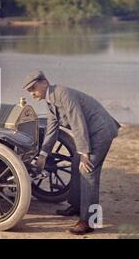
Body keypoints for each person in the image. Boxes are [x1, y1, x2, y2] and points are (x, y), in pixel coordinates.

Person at [22, 70, 121, 235]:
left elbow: (77, 121)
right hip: (90, 133)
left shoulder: (63, 93)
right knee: (76, 164)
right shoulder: (50, 101)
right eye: (29, 91)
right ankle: (76, 206)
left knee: (87, 171)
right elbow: (52, 130)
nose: (32, 93)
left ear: (44, 82)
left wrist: (84, 152)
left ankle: (88, 221)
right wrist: (43, 155)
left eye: (33, 88)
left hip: (101, 131)